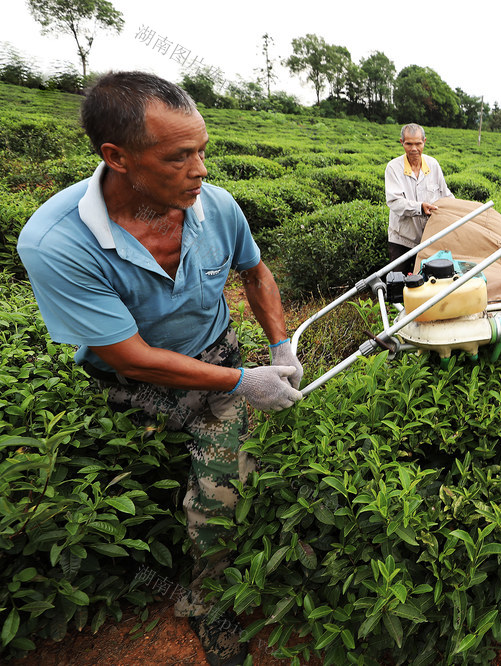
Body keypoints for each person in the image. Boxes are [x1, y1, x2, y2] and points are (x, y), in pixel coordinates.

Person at [17, 71, 303, 666]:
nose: (200, 169)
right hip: (133, 386)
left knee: (221, 486)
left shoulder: (215, 205)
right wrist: (243, 382)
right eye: (179, 157)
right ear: (116, 157)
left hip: (217, 357)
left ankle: (207, 598)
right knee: (148, 473)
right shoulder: (56, 241)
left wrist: (279, 346)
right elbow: (131, 357)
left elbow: (255, 273)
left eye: (203, 151)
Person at [384, 123, 453, 263]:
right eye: (409, 144)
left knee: (427, 280)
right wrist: (420, 207)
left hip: (429, 238)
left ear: (424, 142)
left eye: (418, 143)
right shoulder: (393, 168)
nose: (414, 149)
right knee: (398, 280)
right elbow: (394, 202)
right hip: (402, 239)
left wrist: (458, 209)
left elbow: (446, 195)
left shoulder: (433, 165)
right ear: (402, 142)